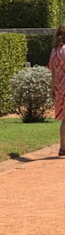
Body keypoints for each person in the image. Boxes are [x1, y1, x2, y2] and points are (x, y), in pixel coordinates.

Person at [51, 24, 65, 156]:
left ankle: (62, 147)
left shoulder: (54, 51)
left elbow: (53, 71)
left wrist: (53, 88)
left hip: (59, 86)